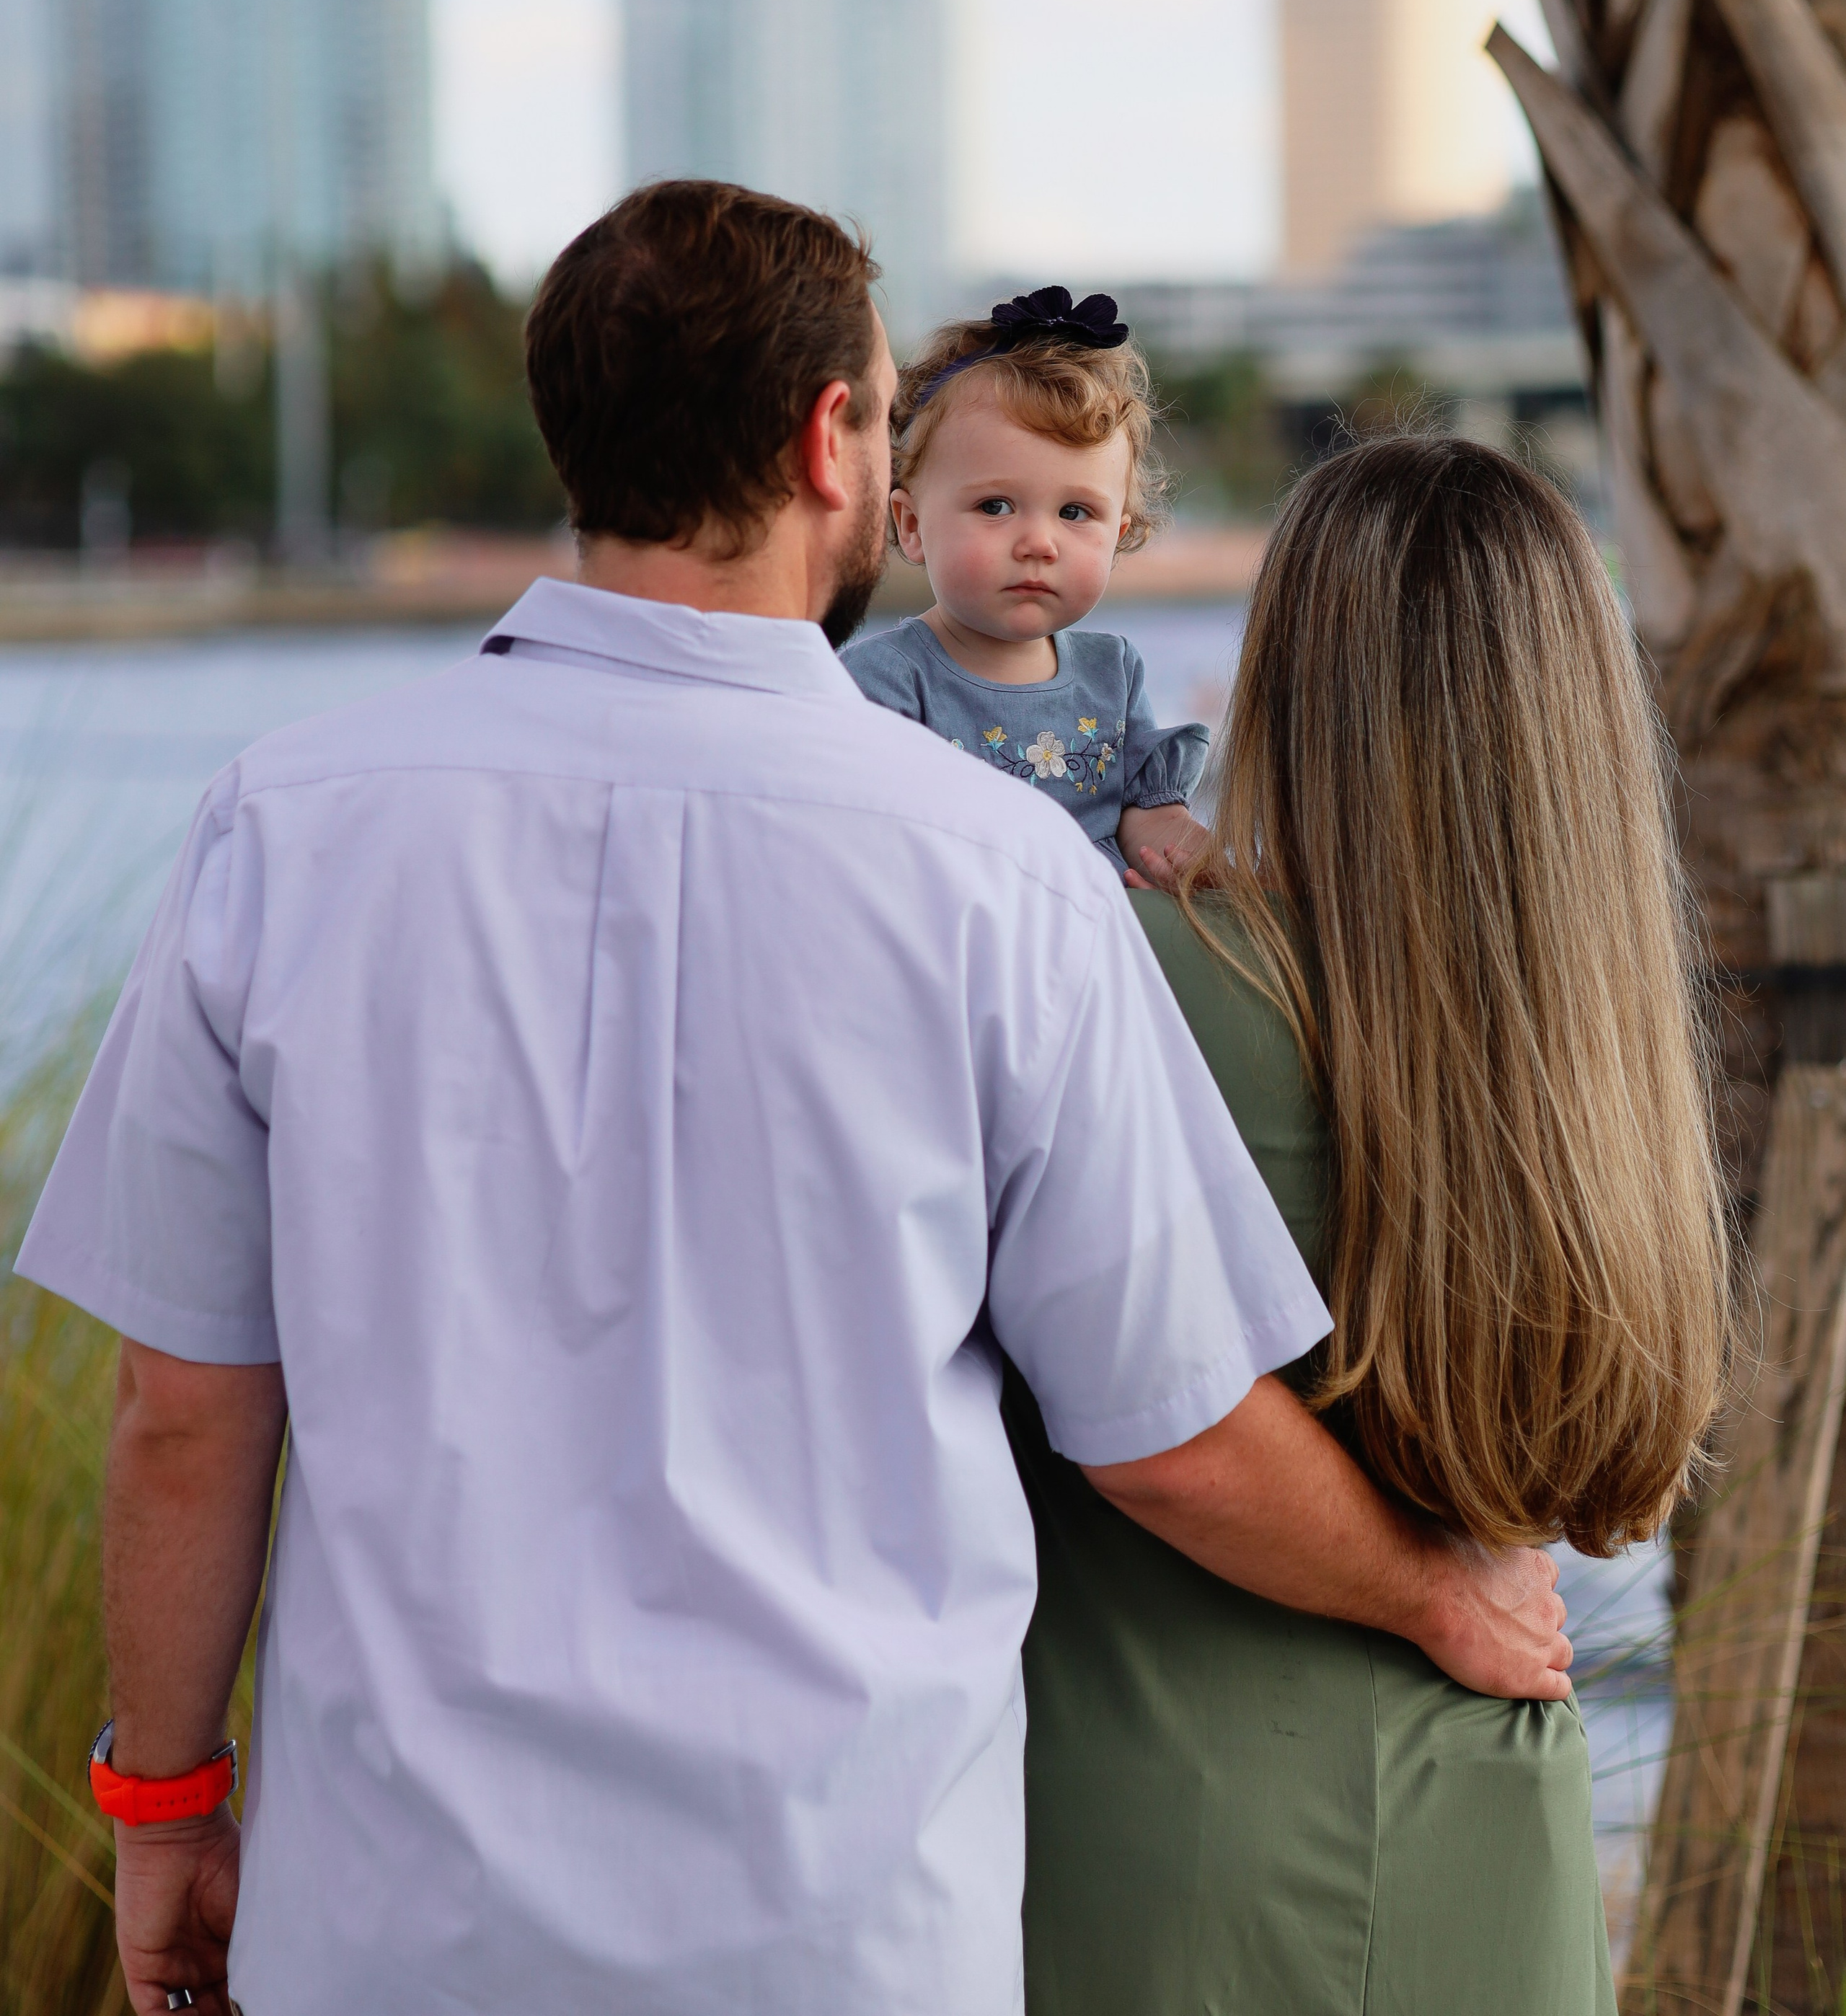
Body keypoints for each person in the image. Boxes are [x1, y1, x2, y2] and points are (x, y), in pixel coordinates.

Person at [16, 190, 1570, 2016]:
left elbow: (184, 1413)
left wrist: (167, 1808)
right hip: (846, 1935)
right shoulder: (1002, 878)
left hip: (391, 1931)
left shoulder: (278, 822)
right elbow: (1163, 1431)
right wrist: (1428, 1590)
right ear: (832, 442)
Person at [1007, 434, 1736, 2016]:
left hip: (1161, 1851)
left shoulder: (1146, 982)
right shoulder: (1597, 1058)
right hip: (1497, 1835)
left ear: (1287, 683)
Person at [843, 288, 1209, 881]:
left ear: (1117, 536)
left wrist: (1199, 862)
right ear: (911, 525)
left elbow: (1148, 817)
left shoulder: (1112, 673)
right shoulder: (885, 684)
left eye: (1074, 513)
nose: (1039, 543)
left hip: (1097, 950)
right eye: (995, 506)